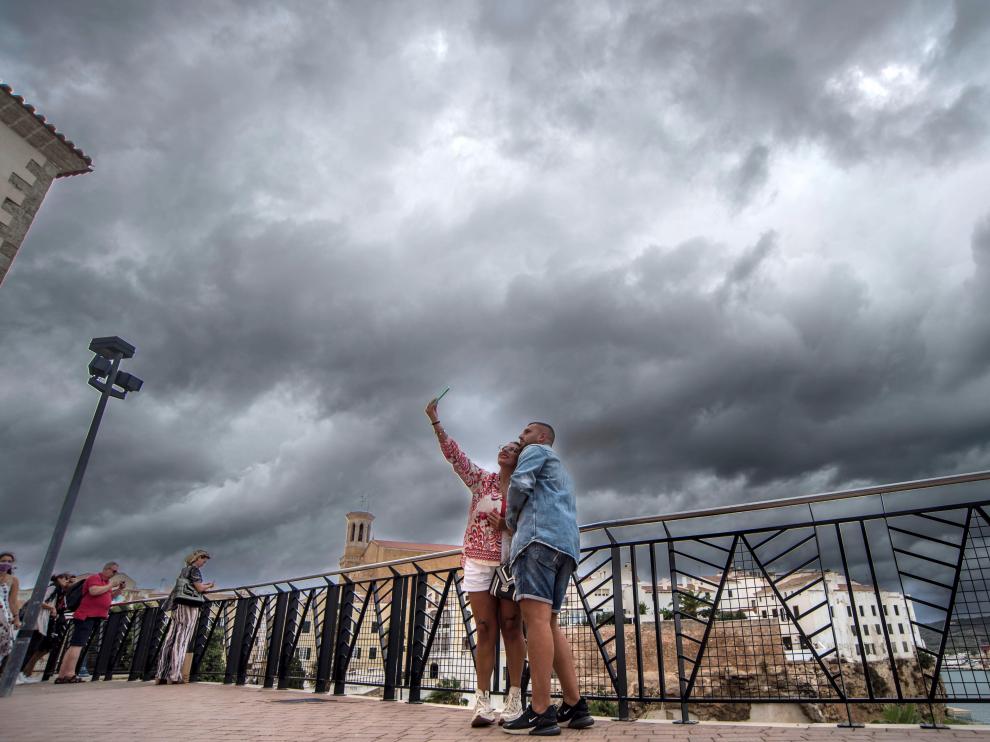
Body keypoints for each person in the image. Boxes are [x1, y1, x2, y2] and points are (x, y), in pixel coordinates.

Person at [426, 399, 527, 727]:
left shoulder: (525, 491)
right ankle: (482, 701)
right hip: (477, 563)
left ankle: (514, 698)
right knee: (484, 629)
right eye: (503, 447)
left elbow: (533, 525)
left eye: (513, 448)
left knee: (512, 629)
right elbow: (456, 458)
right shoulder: (482, 481)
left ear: (521, 458)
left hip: (509, 565)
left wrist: (508, 527)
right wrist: (435, 422)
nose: (506, 450)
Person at [502, 422, 593, 736]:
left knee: (537, 622)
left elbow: (520, 483)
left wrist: (510, 521)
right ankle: (575, 704)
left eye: (526, 431)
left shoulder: (536, 451)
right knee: (550, 623)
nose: (520, 435)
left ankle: (541, 710)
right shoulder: (562, 470)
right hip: (565, 546)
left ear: (542, 437)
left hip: (537, 540)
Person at [55, 562, 126, 683]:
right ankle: (70, 673)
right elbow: (93, 591)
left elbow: (109, 597)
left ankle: (63, 674)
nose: (115, 574)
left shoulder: (106, 583)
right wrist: (110, 586)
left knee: (76, 645)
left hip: (94, 616)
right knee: (77, 645)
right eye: (114, 571)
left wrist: (118, 589)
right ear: (106, 569)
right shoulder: (95, 578)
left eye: (116, 572)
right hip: (86, 616)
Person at [156, 549, 214, 684]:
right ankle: (174, 675)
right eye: (203, 561)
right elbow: (199, 588)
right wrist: (209, 586)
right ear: (198, 558)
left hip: (178, 606)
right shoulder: (194, 570)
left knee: (170, 639)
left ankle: (161, 674)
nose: (203, 564)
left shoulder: (184, 570)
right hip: (188, 607)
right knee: (181, 639)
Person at [17, 572, 73, 683]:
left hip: (40, 621)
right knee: (30, 648)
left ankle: (20, 673)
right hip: (36, 621)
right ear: (59, 579)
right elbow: (38, 600)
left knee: (32, 648)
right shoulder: (53, 588)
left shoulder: (58, 591)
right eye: (66, 579)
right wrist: (51, 608)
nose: (68, 581)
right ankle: (18, 674)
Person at [0, 552, 20, 670]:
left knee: (3, 643)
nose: (6, 563)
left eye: (9, 561)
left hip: (4, 614)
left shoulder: (13, 580)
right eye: (3, 560)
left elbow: (12, 601)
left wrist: (16, 618)